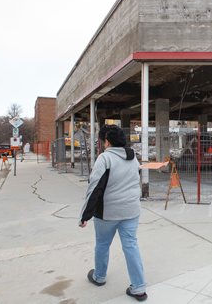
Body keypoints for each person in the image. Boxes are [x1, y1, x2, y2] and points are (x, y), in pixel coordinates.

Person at [79, 124, 147, 301]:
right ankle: (139, 288)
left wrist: (85, 215)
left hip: (108, 213)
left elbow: (95, 188)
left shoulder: (105, 159)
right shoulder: (133, 158)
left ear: (107, 141)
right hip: (132, 210)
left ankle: (99, 277)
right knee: (131, 245)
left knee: (102, 244)